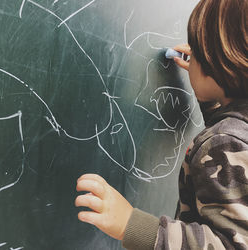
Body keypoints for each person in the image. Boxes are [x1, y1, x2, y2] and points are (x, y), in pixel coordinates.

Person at [75, 0, 248, 249]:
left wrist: (131, 225)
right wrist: (212, 96)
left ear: (217, 63)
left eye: (198, 50)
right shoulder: (235, 133)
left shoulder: (225, 142)